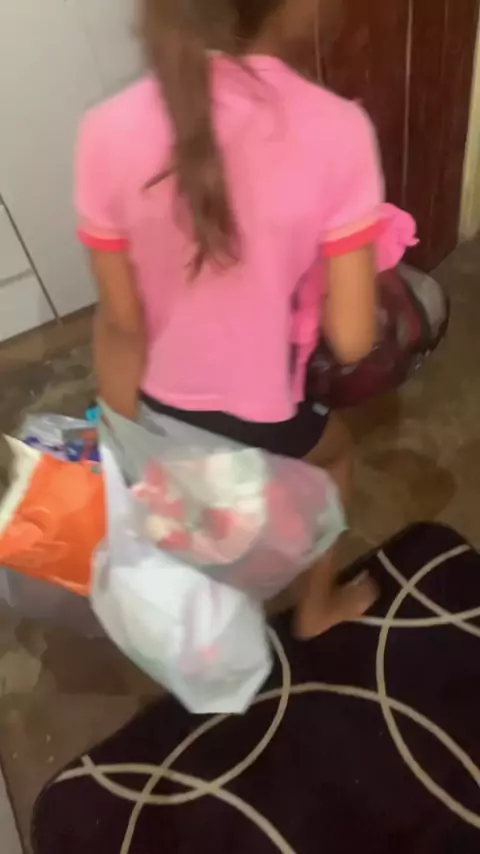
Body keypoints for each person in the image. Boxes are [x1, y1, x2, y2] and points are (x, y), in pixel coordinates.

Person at [75, 0, 382, 638]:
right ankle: (317, 608)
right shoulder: (339, 130)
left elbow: (121, 324)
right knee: (334, 460)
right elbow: (353, 339)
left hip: (159, 399)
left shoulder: (103, 131)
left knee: (190, 501)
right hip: (269, 407)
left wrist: (123, 439)